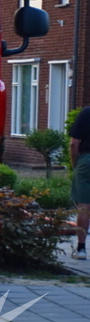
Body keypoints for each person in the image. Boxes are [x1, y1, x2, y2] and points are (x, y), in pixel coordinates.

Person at [69, 107, 90, 259]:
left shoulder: (86, 113)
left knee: (84, 205)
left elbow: (74, 143)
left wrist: (75, 164)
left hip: (86, 160)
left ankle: (81, 249)